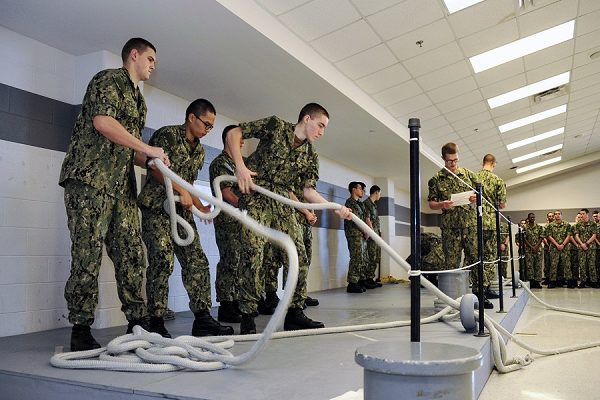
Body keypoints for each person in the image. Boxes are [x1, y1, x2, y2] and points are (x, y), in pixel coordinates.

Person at [59, 38, 169, 351]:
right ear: (133, 55)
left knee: (132, 252)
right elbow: (103, 123)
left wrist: (149, 159)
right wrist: (147, 148)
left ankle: (137, 322)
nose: (152, 66)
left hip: (121, 187)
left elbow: (125, 145)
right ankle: (80, 328)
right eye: (149, 59)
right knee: (87, 252)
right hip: (91, 181)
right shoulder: (108, 80)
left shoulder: (138, 100)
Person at [226, 103, 352, 334]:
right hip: (257, 194)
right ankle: (248, 316)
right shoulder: (275, 126)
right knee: (253, 253)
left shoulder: (311, 154)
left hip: (283, 199)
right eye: (320, 125)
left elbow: (307, 191)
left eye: (325, 128)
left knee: (299, 254)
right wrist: (240, 166)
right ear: (306, 119)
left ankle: (294, 312)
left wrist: (335, 208)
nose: (321, 132)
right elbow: (235, 132)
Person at [137, 99, 233, 338]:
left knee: (197, 261)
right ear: (192, 117)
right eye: (206, 124)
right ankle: (156, 320)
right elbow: (156, 168)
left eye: (211, 127)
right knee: (161, 262)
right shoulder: (167, 136)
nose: (208, 130)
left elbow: (188, 183)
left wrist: (201, 206)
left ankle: (202, 318)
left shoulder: (199, 151)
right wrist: (181, 192)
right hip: (158, 208)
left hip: (181, 212)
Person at [427, 143, 491, 307]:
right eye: (449, 161)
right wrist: (442, 204)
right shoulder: (436, 179)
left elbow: (480, 196)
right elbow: (431, 204)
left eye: (455, 160)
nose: (453, 164)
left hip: (470, 227)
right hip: (451, 229)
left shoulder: (469, 175)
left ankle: (480, 295)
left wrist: (475, 198)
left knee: (476, 259)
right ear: (443, 159)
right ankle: (453, 299)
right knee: (451, 263)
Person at [209, 125, 245, 323]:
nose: (242, 143)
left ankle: (236, 301)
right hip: (227, 221)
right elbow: (227, 193)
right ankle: (226, 305)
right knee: (229, 260)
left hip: (238, 220)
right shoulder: (221, 163)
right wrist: (246, 205)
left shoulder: (237, 164)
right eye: (239, 139)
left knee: (238, 261)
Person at [476, 154, 506, 298]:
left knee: (476, 256)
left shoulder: (474, 177)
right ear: (494, 164)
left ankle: (477, 288)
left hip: (476, 221)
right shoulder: (498, 180)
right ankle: (485, 288)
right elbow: (502, 204)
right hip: (492, 223)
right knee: (489, 256)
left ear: (483, 163)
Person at [345, 181, 371, 293]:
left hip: (362, 234)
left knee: (363, 257)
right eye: (361, 189)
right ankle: (352, 283)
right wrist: (365, 231)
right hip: (354, 233)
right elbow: (356, 221)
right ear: (354, 189)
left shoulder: (360, 204)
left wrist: (368, 231)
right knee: (356, 257)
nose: (363, 191)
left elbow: (366, 218)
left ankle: (360, 280)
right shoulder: (350, 203)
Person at [545, 210, 575, 288]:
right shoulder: (550, 225)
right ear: (554, 216)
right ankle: (552, 281)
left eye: (559, 214)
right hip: (554, 248)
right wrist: (557, 245)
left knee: (567, 264)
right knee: (553, 265)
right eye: (556, 214)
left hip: (565, 248)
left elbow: (569, 236)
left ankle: (569, 282)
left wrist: (563, 244)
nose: (557, 216)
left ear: (561, 215)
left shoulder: (567, 224)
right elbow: (549, 236)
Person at [363, 185, 383, 288]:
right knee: (371, 256)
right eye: (380, 193)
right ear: (376, 192)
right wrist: (372, 233)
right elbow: (367, 219)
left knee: (375, 257)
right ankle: (367, 279)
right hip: (371, 235)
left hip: (375, 235)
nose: (380, 195)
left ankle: (370, 278)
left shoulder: (373, 205)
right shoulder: (367, 204)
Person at [574, 208, 598, 288]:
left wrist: (587, 243)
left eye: (583, 214)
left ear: (587, 214)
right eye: (580, 214)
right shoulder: (578, 225)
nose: (581, 215)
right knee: (582, 265)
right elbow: (576, 236)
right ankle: (583, 281)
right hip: (581, 247)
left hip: (591, 247)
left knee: (591, 265)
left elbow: (594, 235)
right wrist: (582, 244)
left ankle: (593, 281)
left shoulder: (593, 224)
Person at [523, 213, 545, 288]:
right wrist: (532, 247)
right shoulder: (525, 228)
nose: (532, 218)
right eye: (531, 217)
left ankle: (537, 282)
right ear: (528, 218)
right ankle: (531, 281)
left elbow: (541, 237)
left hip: (538, 249)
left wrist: (536, 246)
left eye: (533, 217)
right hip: (529, 250)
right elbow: (524, 239)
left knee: (538, 266)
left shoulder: (539, 227)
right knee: (530, 266)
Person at [542, 211, 555, 285]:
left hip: (555, 247)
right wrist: (548, 245)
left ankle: (556, 279)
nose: (551, 217)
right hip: (547, 248)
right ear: (547, 218)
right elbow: (544, 238)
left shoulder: (555, 226)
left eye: (552, 216)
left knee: (555, 264)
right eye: (549, 216)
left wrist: (553, 245)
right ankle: (547, 278)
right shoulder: (545, 227)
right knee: (547, 264)